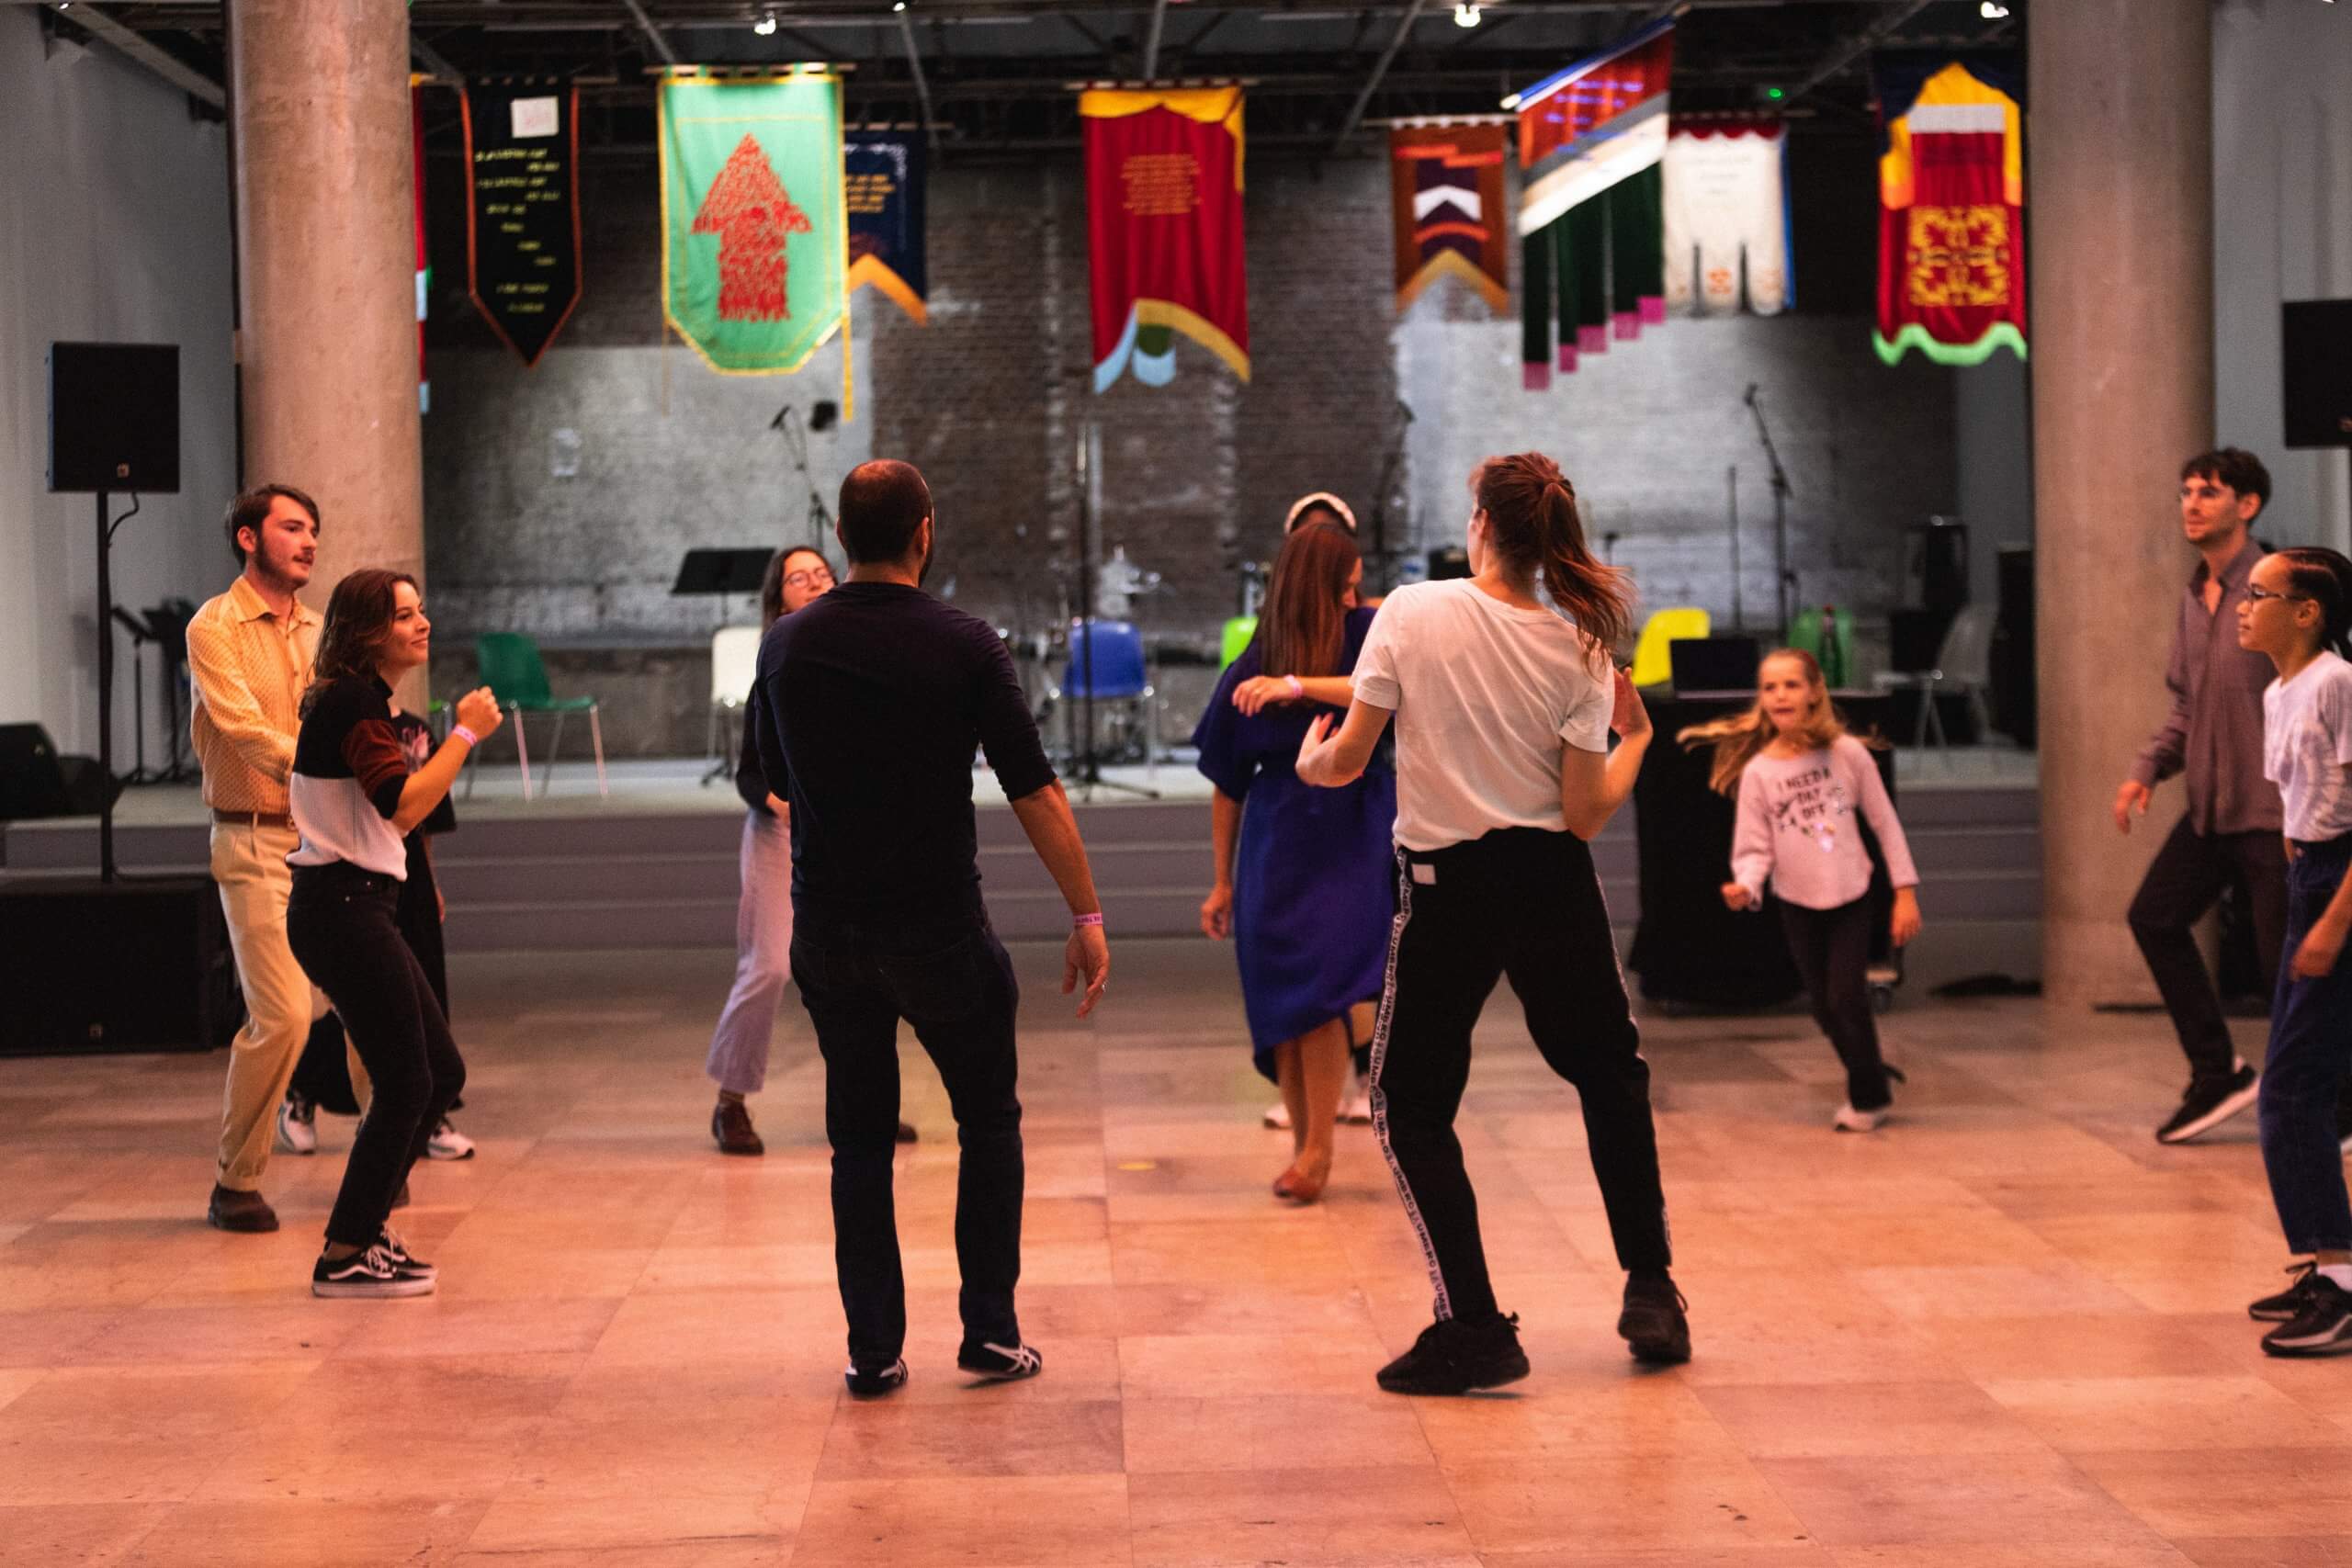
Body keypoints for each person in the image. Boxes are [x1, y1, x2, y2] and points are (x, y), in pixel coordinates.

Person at [1296, 451, 1690, 1393]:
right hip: (1553, 881)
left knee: (1409, 1103)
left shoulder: (1410, 612)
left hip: (1450, 889)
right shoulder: (1580, 647)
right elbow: (1584, 814)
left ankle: (1473, 1323)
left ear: (1479, 522)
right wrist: (1636, 738)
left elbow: (1348, 760)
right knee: (1609, 1075)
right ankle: (1651, 1286)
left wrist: (1312, 761)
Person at [756, 458, 1111, 1397]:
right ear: (926, 531)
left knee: (859, 1140)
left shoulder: (786, 646)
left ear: (841, 537)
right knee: (987, 1121)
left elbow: (774, 775)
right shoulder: (965, 644)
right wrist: (1084, 911)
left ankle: (873, 1349)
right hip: (939, 929)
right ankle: (989, 1330)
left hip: (829, 932)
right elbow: (1033, 788)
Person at [285, 570, 500, 1297]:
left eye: (420, 610)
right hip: (340, 906)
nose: (422, 623)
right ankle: (345, 1250)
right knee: (408, 1078)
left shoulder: (361, 700)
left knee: (439, 1072)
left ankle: (365, 1229)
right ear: (367, 631)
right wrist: (465, 732)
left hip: (360, 905)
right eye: (404, 615)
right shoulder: (350, 701)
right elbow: (403, 805)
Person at [1195, 521, 1395, 1202]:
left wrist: (1296, 685)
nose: (1356, 595)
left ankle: (1317, 1151)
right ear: (1320, 583)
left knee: (1325, 988)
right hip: (1277, 835)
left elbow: (1379, 688)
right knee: (1281, 994)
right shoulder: (1254, 661)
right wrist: (1221, 882)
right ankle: (1304, 1143)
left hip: (1351, 823)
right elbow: (1227, 782)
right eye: (1347, 584)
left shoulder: (1367, 631)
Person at [704, 547, 918, 1156]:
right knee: (770, 965)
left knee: (868, 967)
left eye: (822, 573)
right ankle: (730, 1102)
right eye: (800, 578)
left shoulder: (860, 658)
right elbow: (749, 774)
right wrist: (781, 801)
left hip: (850, 832)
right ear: (779, 599)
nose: (815, 583)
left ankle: (870, 1102)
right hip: (782, 833)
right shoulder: (775, 663)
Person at [2118, 450, 2289, 1144]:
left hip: (2277, 812)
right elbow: (2189, 705)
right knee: (2154, 917)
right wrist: (2147, 769)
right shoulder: (2196, 596)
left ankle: (2336, 1100)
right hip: (2212, 808)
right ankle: (2218, 1073)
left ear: (2246, 506)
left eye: (2208, 492)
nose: (2191, 503)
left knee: (2289, 968)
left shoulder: (2278, 587)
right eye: (2186, 491)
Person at [186, 483, 343, 1232]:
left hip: (327, 835)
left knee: (368, 998)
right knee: (282, 1016)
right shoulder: (214, 626)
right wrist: (327, 759)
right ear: (248, 537)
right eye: (291, 527)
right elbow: (244, 730)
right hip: (253, 835)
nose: (308, 541)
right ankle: (235, 1182)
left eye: (313, 529)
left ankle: (384, 1157)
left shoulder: (321, 626)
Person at [1682, 649, 1924, 1132]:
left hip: (1851, 893)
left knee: (1846, 998)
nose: (1780, 695)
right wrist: (1746, 886)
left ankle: (1868, 1099)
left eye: (1791, 684)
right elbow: (1754, 848)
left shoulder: (1847, 754)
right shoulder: (1760, 772)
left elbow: (1885, 824)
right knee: (1823, 1008)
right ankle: (1872, 1072)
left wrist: (1905, 892)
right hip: (1797, 901)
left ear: (1814, 692)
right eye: (1769, 687)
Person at [2235, 547, 2352, 1356]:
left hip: (2341, 885)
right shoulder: (2280, 690)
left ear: (2307, 610)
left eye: (2259, 593)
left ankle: (2342, 1284)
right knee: (2293, 1082)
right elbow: (2296, 799)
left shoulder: (2339, 683)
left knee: (2290, 1090)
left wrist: (2335, 920)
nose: (2244, 606)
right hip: (2311, 877)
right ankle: (2323, 1264)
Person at [279, 693, 476, 1164]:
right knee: (368, 1018)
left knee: (430, 1044)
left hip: (400, 875)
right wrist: (467, 732)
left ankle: (426, 1119)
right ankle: (305, 1090)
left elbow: (422, 819)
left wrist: (430, 881)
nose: (424, 648)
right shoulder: (348, 714)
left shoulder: (411, 727)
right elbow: (397, 806)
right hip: (352, 887)